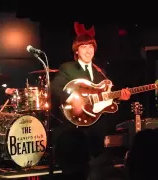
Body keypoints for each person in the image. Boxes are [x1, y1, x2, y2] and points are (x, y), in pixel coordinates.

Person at [50, 23, 131, 178]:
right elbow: (55, 87)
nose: (88, 50)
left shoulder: (100, 73)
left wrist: (119, 97)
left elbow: (106, 99)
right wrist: (74, 99)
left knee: (98, 166)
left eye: (91, 47)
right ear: (76, 50)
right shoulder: (68, 68)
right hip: (77, 125)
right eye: (84, 47)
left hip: (98, 128)